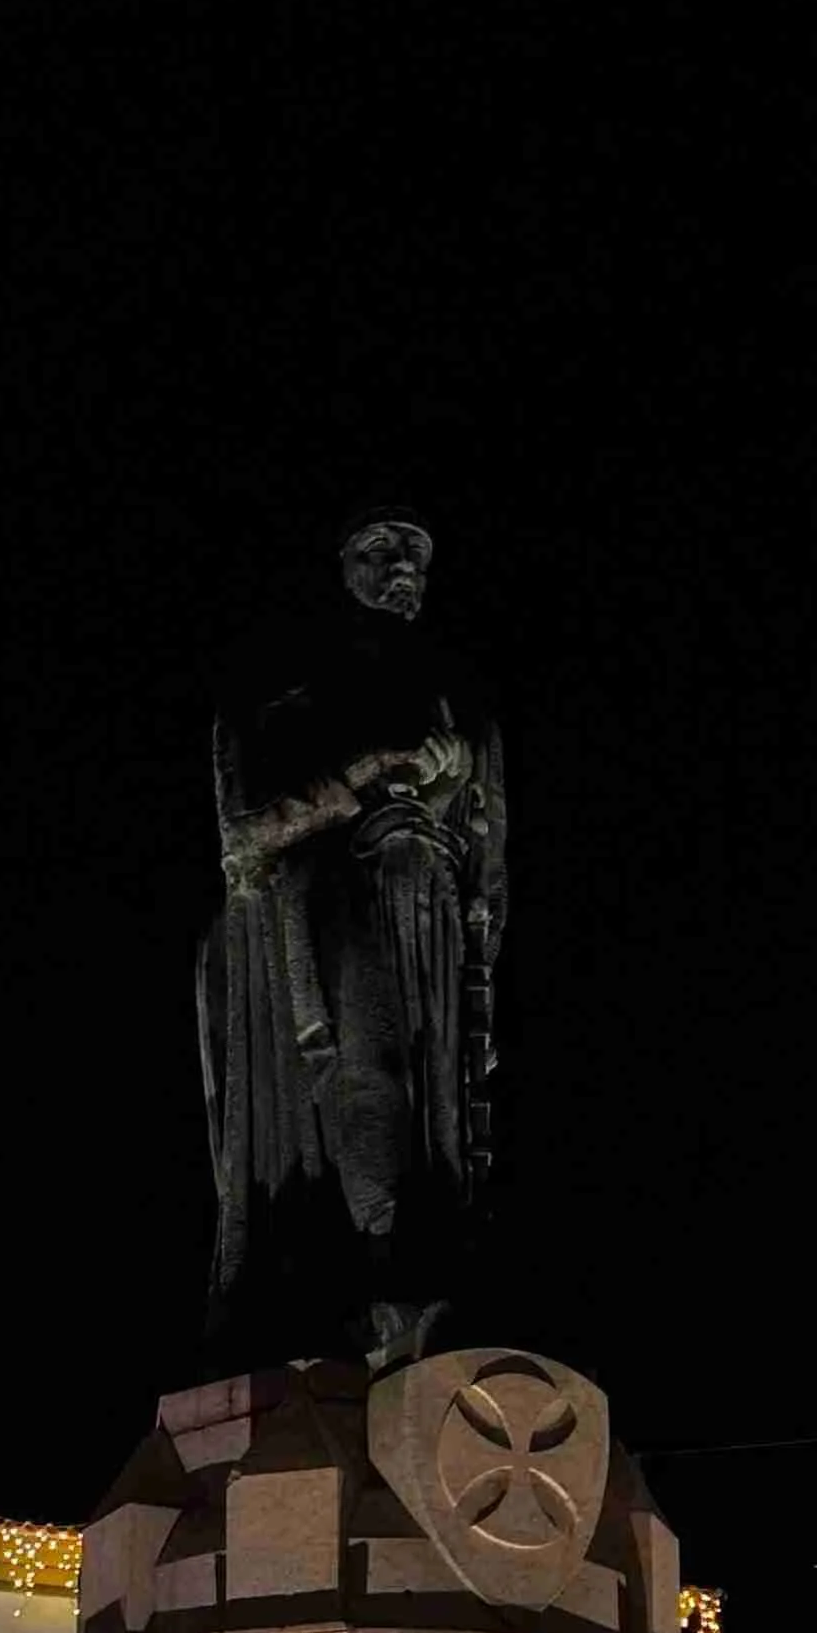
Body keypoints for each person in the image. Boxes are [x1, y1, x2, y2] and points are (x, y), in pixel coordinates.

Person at [196, 514, 506, 1365]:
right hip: (323, 903)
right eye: (378, 549)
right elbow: (245, 837)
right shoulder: (280, 687)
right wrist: (363, 778)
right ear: (340, 567)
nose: (401, 564)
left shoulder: (459, 695)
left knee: (426, 1114)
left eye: (415, 552)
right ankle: (368, 1278)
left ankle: (416, 1277)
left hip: (428, 917)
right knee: (360, 1081)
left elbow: (490, 852)